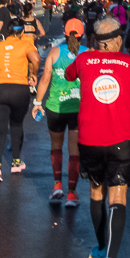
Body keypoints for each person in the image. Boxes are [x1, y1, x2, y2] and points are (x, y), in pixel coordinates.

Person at [64, 18, 130, 258]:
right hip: (120, 142)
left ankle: (101, 248)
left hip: (89, 141)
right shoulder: (128, 63)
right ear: (116, 41)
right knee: (118, 196)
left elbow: (69, 74)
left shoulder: (84, 60)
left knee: (95, 192)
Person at [35, 17, 87, 207]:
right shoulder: (87, 54)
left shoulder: (54, 52)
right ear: (82, 35)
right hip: (78, 109)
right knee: (75, 152)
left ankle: (57, 185)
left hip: (55, 107)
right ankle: (72, 194)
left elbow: (44, 79)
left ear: (65, 34)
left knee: (56, 147)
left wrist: (37, 102)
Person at [0, 17, 41, 180]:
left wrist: (1, 68)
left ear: (8, 31)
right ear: (22, 32)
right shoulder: (26, 44)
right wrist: (33, 74)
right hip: (19, 89)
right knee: (16, 125)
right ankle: (16, 162)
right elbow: (36, 59)